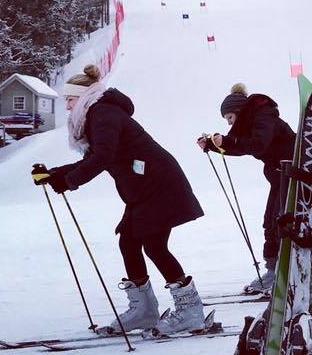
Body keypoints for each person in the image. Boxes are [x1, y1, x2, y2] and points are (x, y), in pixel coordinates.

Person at [44, 65, 206, 335]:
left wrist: (69, 181)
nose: (68, 107)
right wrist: (56, 174)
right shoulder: (98, 113)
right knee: (129, 242)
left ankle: (190, 311)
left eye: (70, 100)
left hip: (158, 184)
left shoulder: (102, 113)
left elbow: (103, 157)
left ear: (83, 96)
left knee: (154, 245)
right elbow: (95, 157)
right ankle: (144, 311)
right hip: (145, 186)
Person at [197, 83, 296, 293]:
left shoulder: (264, 116)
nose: (229, 122)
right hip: (279, 176)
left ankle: (285, 271)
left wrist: (227, 140)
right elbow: (242, 146)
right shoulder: (252, 121)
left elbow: (257, 144)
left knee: (279, 221)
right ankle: (273, 271)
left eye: (230, 117)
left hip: (291, 174)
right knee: (269, 222)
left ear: (239, 111)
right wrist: (213, 145)